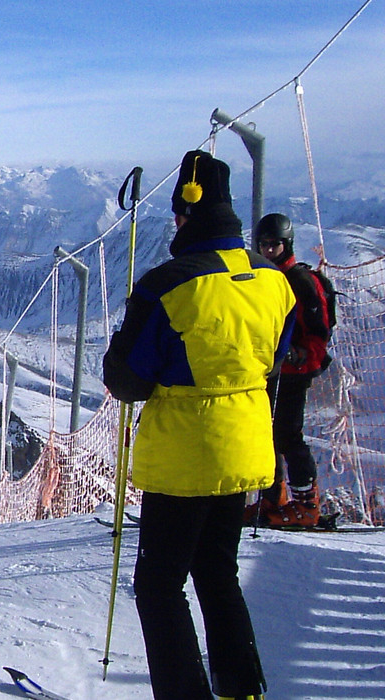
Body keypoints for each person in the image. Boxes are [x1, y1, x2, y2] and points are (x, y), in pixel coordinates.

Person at [103, 150, 295, 700]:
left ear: (186, 212)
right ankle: (242, 689)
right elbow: (275, 359)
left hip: (185, 459)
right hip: (245, 449)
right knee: (217, 572)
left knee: (159, 587)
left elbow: (127, 378)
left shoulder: (169, 285)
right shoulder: (272, 281)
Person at [248, 213, 334, 528]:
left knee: (287, 435)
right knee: (265, 435)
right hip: (270, 370)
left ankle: (306, 504)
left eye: (275, 245)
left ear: (287, 245)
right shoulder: (265, 277)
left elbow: (319, 332)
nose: (269, 251)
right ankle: (274, 498)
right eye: (264, 245)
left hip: (295, 371)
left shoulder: (299, 280)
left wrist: (300, 355)